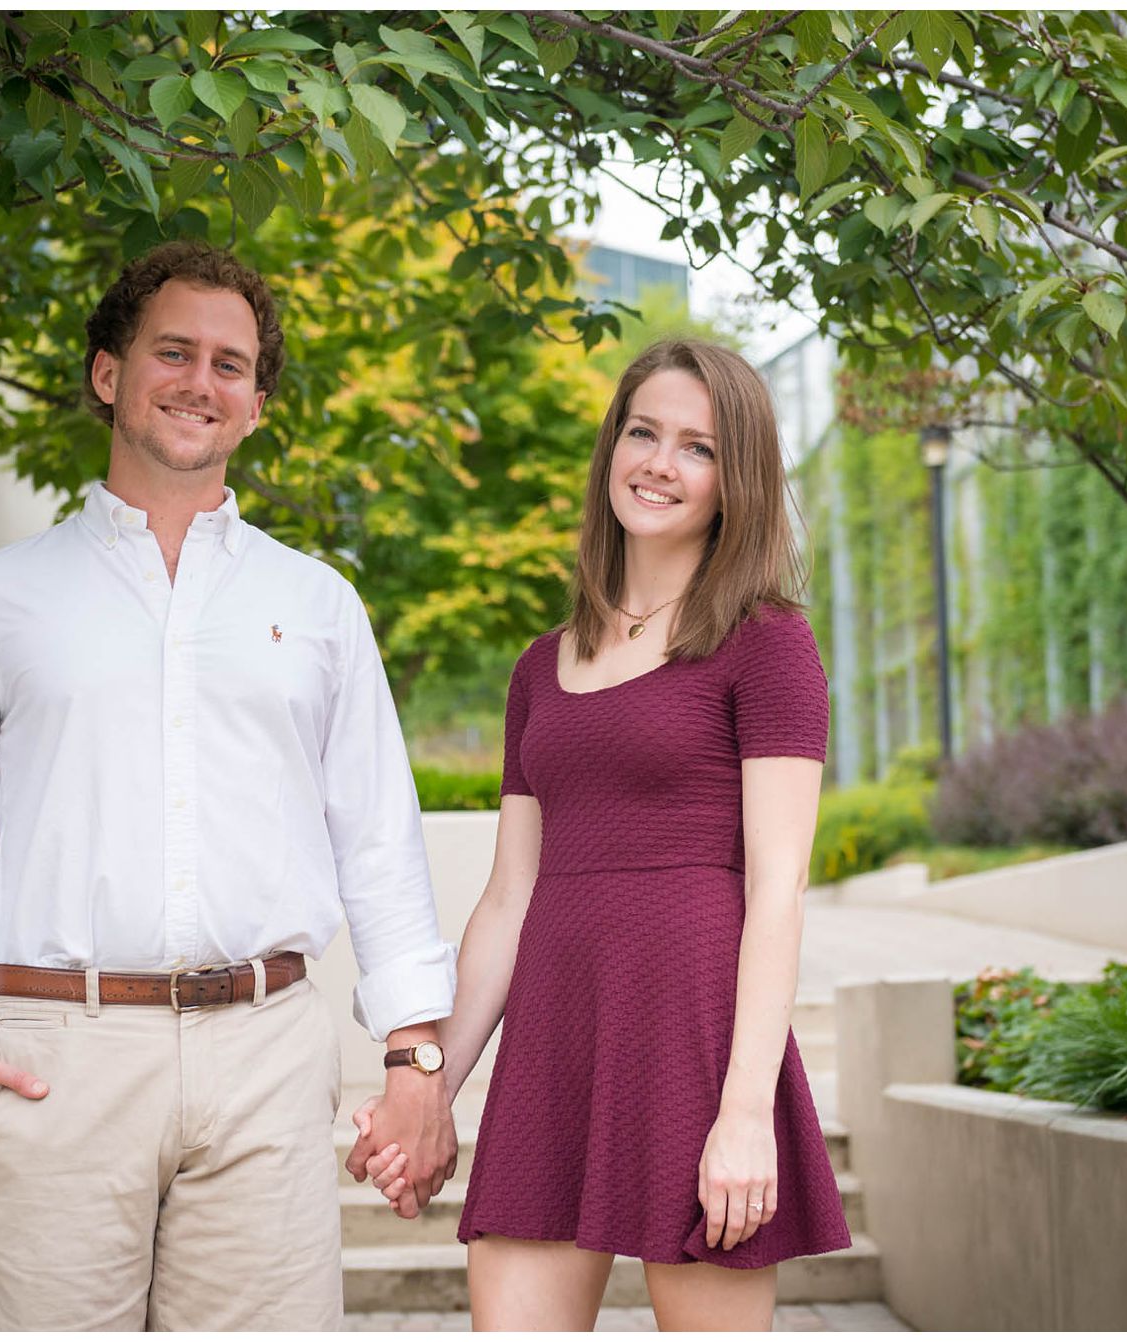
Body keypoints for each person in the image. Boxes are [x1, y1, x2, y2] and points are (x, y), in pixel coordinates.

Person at [0, 241, 459, 1331]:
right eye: (172, 351)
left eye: (232, 364)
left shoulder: (317, 605)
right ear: (106, 373)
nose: (200, 381)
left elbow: (378, 839)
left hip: (266, 1048)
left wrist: (415, 1058)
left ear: (257, 405)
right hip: (56, 1058)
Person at [346, 339, 850, 1329]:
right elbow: (507, 897)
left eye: (696, 447)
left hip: (697, 1044)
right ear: (610, 447)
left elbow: (777, 888)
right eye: (642, 432)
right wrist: (433, 1085)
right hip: (554, 1042)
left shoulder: (766, 640)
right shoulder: (540, 667)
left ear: (733, 478)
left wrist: (744, 1110)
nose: (659, 463)